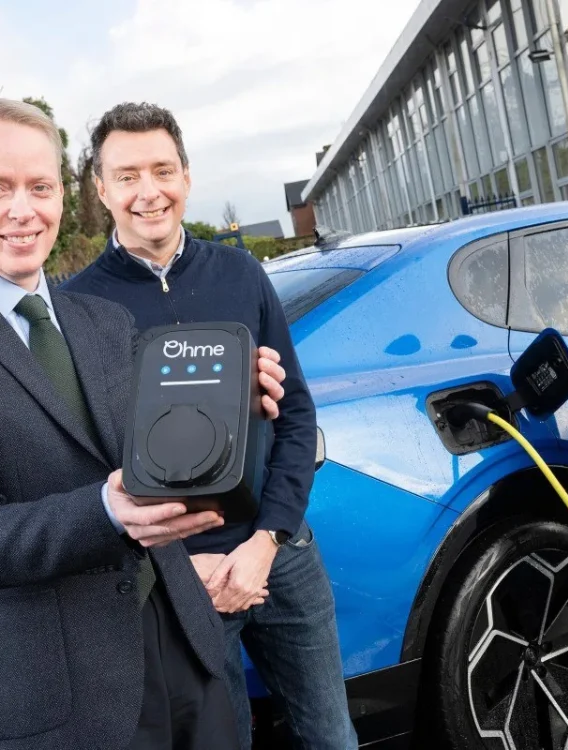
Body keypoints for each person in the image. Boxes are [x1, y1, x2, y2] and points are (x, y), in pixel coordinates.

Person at [0, 97, 289, 750]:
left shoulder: (102, 321)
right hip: (67, 699)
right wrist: (107, 512)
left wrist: (229, 411)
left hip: (190, 655)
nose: (23, 210)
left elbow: (146, 457)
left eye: (40, 186)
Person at [62, 102, 357, 750]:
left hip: (281, 553)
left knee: (331, 738)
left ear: (187, 178)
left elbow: (297, 414)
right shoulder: (75, 307)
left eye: (162, 169)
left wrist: (267, 541)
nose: (149, 191)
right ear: (101, 189)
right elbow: (87, 457)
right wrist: (176, 565)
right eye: (128, 174)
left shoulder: (241, 274)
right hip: (176, 577)